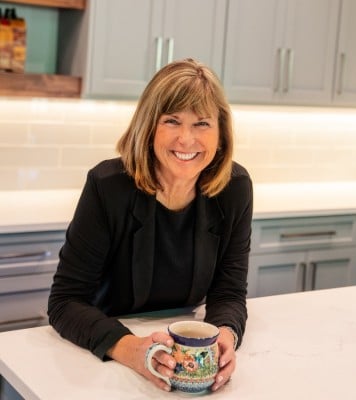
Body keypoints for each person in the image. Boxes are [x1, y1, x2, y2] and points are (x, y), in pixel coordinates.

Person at [48, 58, 253, 393]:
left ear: (220, 133)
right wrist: (133, 350)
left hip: (182, 353)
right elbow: (65, 302)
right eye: (172, 121)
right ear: (149, 127)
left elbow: (229, 292)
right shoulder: (108, 187)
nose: (186, 139)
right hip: (104, 350)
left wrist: (225, 336)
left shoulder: (234, 188)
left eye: (202, 123)